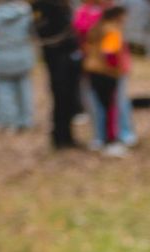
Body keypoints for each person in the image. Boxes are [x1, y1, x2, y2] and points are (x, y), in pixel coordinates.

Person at [0, 0, 36, 132]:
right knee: (24, 89)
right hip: (22, 55)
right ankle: (26, 120)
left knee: (4, 90)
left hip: (1, 57)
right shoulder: (26, 12)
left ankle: (10, 121)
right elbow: (32, 31)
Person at [83, 4, 131, 157]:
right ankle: (111, 141)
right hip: (107, 73)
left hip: (92, 69)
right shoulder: (112, 30)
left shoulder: (97, 27)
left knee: (98, 106)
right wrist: (117, 69)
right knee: (110, 108)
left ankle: (99, 138)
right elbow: (110, 53)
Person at [33, 0, 80, 149]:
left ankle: (67, 136)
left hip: (67, 56)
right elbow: (45, 33)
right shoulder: (45, 6)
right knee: (61, 97)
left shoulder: (62, 6)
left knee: (68, 99)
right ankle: (60, 137)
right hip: (57, 58)